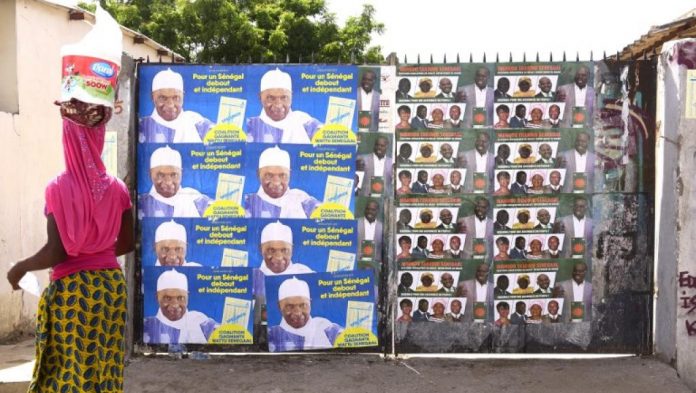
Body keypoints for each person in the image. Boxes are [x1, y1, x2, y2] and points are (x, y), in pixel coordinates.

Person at [7, 30, 135, 388]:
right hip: (109, 288)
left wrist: (20, 268)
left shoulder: (58, 188)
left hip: (74, 292)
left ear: (67, 137)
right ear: (97, 137)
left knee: (68, 373)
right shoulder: (118, 189)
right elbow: (126, 244)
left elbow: (57, 250)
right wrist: (97, 249)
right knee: (102, 373)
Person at [143, 269, 219, 344]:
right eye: (167, 298)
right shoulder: (146, 325)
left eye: (180, 298)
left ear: (187, 297)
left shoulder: (199, 321)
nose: (175, 305)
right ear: (157, 298)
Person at [247, 68, 322, 143]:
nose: (278, 105)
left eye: (284, 98)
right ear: (260, 97)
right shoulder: (249, 126)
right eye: (270, 98)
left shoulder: (306, 124)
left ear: (291, 96)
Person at [139, 68, 214, 143]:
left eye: (176, 98)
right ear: (152, 97)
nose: (170, 105)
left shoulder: (197, 123)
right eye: (162, 98)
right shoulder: (142, 127)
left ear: (183, 96)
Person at [268, 277, 344, 351]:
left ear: (310, 304)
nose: (297, 312)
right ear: (279, 306)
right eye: (289, 306)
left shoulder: (324, 327)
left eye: (303, 305)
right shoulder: (271, 335)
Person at [244, 146, 320, 218]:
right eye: (268, 175)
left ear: (290, 174)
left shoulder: (301, 198)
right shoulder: (248, 203)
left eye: (283, 175)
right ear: (258, 174)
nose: (276, 183)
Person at [139, 146, 212, 219]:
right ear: (150, 174)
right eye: (161, 175)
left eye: (174, 175)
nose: (168, 182)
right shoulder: (141, 204)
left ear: (181, 173)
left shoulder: (196, 200)